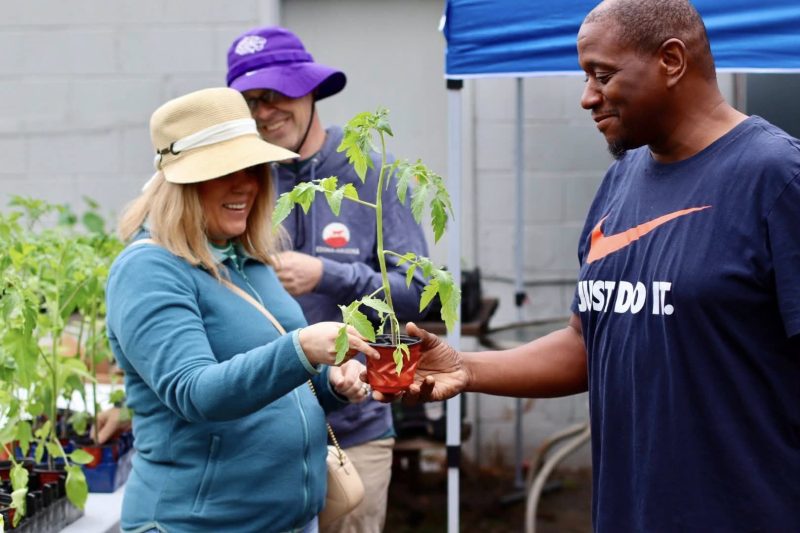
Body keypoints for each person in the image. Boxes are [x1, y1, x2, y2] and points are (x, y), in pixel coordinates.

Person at [379, 1, 800, 531]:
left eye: (603, 75)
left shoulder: (777, 177)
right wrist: (466, 369)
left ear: (672, 61)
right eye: (586, 77)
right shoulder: (621, 180)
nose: (587, 97)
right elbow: (586, 341)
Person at [105, 87, 379, 533]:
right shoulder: (149, 269)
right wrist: (301, 349)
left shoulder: (247, 258)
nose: (246, 184)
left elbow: (275, 384)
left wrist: (331, 384)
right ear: (181, 183)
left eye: (252, 168)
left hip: (290, 520)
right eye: (225, 171)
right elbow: (195, 391)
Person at [225, 26, 430, 533]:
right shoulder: (241, 182)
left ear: (309, 89)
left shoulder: (373, 175)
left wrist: (328, 275)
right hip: (260, 433)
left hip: (354, 432)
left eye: (276, 93)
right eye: (250, 100)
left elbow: (420, 296)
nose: (264, 111)